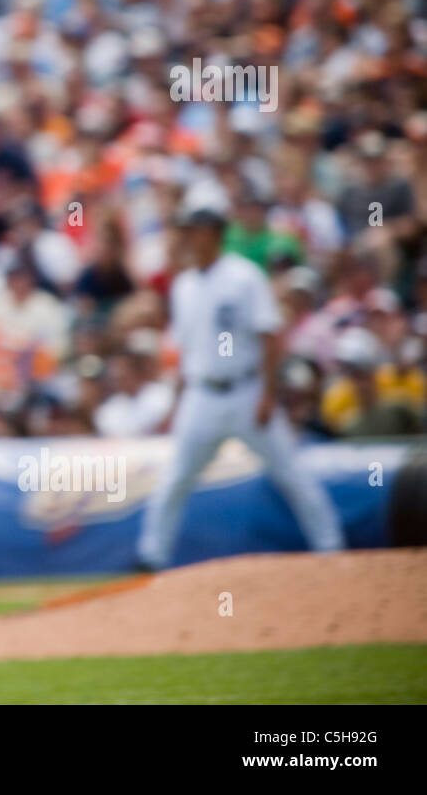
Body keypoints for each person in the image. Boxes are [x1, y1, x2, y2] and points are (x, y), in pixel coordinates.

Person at [135, 185, 346, 570]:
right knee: (174, 480)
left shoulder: (243, 277)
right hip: (202, 393)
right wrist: (175, 404)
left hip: (246, 390)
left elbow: (270, 336)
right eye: (187, 228)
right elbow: (186, 352)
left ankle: (331, 547)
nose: (190, 236)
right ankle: (152, 556)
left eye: (197, 228)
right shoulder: (183, 286)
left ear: (215, 231)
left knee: (292, 474)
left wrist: (268, 394)